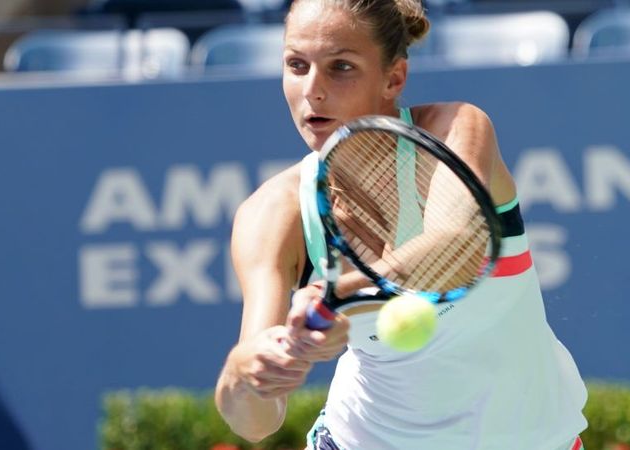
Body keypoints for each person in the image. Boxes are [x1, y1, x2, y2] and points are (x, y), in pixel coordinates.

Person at [214, 0, 589, 448]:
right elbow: (255, 424)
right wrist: (248, 372)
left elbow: (456, 246)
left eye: (341, 67)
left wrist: (338, 297)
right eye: (297, 65)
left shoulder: (454, 128)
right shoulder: (274, 212)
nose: (312, 90)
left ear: (393, 78)